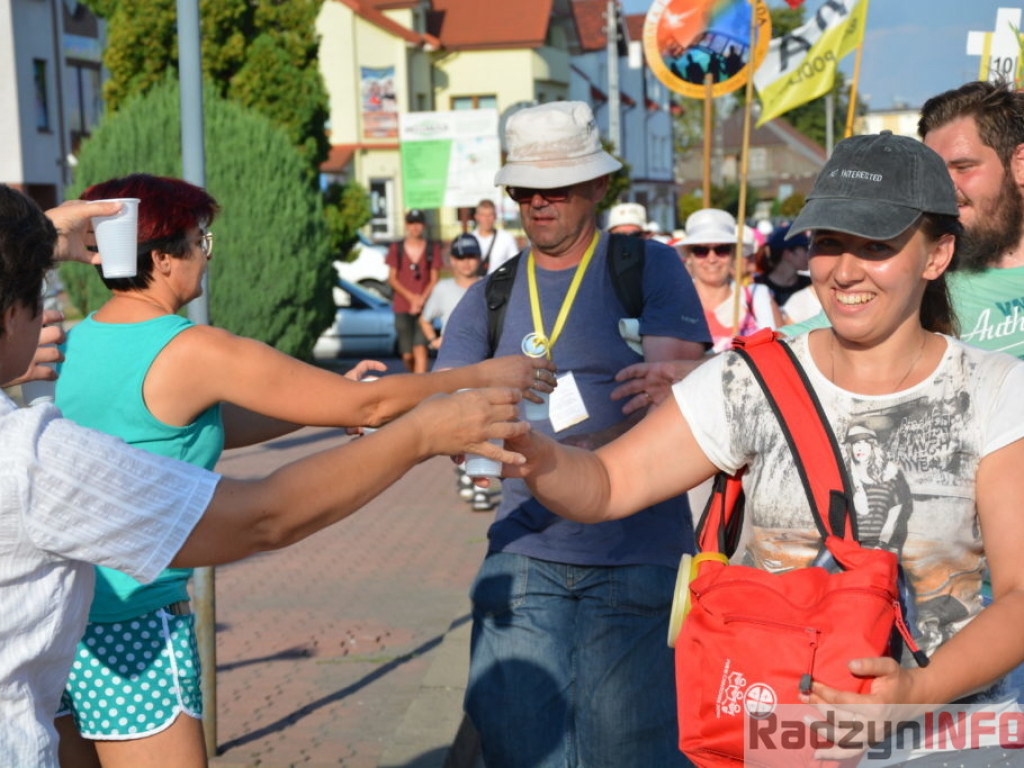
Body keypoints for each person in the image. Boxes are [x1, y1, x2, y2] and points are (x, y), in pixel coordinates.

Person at [506, 132, 1024, 764]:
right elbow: (607, 486)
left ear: (937, 254)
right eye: (829, 243)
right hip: (785, 735)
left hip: (949, 736)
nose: (845, 270)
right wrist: (527, 450)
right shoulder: (747, 380)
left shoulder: (997, 390)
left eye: (878, 246)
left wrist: (915, 690)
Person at [0, 185, 534, 768]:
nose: (208, 254)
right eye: (200, 241)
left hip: (60, 629)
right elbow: (365, 414)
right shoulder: (191, 348)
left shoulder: (78, 343)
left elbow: (183, 424)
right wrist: (474, 377)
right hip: (140, 627)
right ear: (161, 259)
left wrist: (327, 406)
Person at [437, 100, 710, 768]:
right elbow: (447, 412)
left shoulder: (646, 266)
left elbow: (675, 394)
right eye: (525, 190)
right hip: (526, 557)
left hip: (638, 553)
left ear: (596, 187)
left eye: (554, 188)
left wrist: (539, 448)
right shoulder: (492, 293)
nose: (537, 202)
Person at [679, 207, 782, 353]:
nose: (712, 258)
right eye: (701, 250)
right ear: (689, 256)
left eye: (722, 249)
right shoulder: (674, 303)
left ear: (734, 254)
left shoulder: (758, 296)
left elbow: (779, 354)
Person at [387, 209, 440, 373]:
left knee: (420, 347)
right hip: (403, 306)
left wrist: (421, 300)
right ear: (406, 225)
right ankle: (415, 380)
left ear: (423, 225)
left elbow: (434, 278)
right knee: (407, 354)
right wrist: (412, 299)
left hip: (425, 306)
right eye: (411, 223)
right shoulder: (397, 248)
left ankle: (421, 389)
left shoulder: (432, 248)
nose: (415, 227)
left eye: (418, 223)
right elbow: (392, 279)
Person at [418, 233, 482, 353]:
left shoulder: (488, 286)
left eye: (471, 257)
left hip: (483, 354)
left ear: (479, 258)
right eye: (461, 258)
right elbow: (424, 320)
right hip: (452, 354)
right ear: (452, 260)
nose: (466, 262)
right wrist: (434, 341)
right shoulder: (442, 288)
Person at [756, 226, 812, 308]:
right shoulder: (757, 288)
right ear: (787, 254)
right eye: (805, 249)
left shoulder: (810, 285)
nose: (809, 254)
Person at [472, 199, 519, 275]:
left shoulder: (506, 238)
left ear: (495, 216)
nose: (486, 219)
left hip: (501, 284)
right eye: (483, 215)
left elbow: (515, 264)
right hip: (476, 285)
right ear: (476, 217)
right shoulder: (471, 239)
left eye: (490, 215)